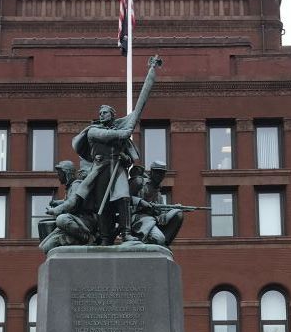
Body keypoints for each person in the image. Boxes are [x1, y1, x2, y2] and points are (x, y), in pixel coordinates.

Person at [71, 104, 140, 244]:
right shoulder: (93, 131)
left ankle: (126, 233)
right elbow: (105, 136)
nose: (101, 115)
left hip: (117, 169)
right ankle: (104, 237)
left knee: (124, 198)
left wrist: (124, 157)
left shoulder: (119, 134)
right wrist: (124, 133)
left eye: (105, 113)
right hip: (101, 169)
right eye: (100, 113)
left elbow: (129, 159)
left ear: (112, 115)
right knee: (102, 204)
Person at [39, 161, 96, 252]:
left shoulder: (77, 184)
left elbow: (72, 202)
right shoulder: (70, 187)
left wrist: (54, 210)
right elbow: (67, 201)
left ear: (67, 173)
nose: (58, 176)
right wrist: (56, 203)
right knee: (44, 247)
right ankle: (70, 238)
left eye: (60, 174)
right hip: (73, 220)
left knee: (61, 219)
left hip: (83, 221)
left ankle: (87, 238)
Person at [130, 161, 184, 247]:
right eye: (157, 172)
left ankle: (165, 244)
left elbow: (161, 212)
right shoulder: (139, 182)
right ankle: (157, 241)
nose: (160, 176)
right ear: (151, 172)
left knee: (178, 214)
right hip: (139, 218)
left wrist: (173, 209)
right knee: (158, 239)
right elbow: (124, 199)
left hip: (154, 219)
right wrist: (141, 202)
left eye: (162, 173)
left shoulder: (158, 192)